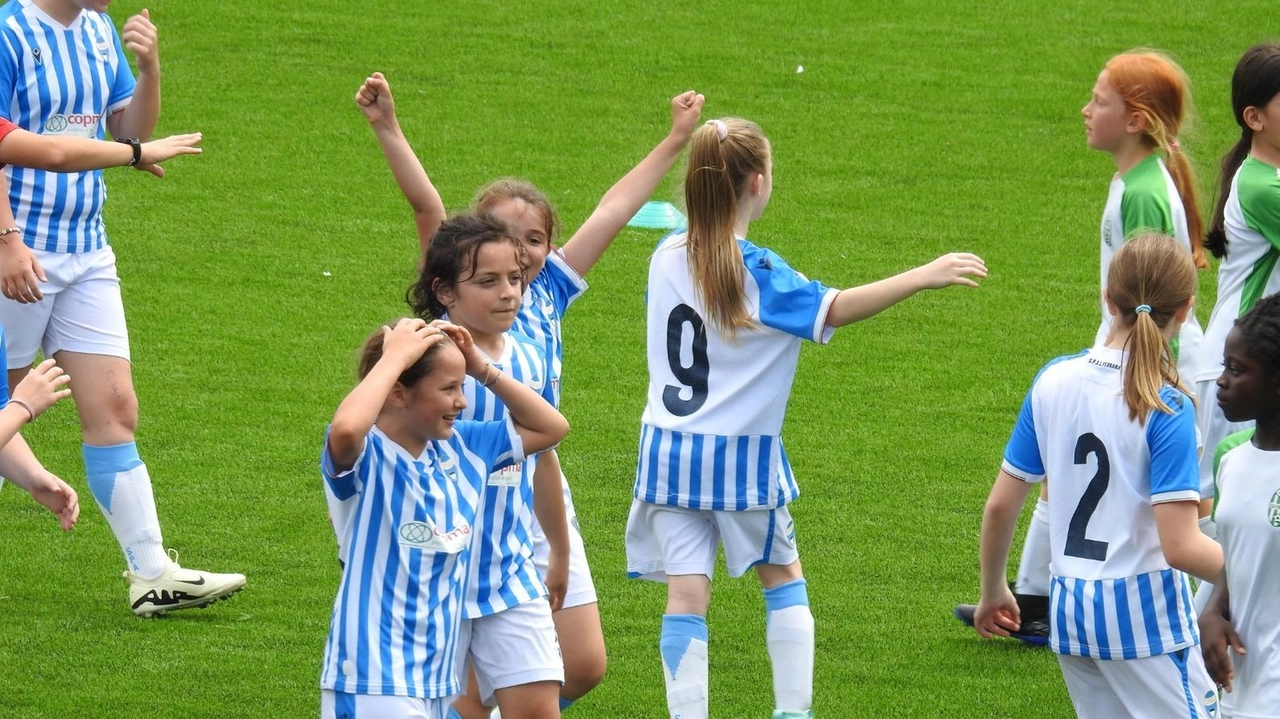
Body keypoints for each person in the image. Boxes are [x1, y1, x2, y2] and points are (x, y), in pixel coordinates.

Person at [357, 73, 704, 712]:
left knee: (584, 665)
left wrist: (675, 139)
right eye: (502, 243)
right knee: (463, 691)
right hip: (457, 497)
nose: (517, 261)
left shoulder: (542, 298)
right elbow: (426, 208)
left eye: (534, 242)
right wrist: (388, 128)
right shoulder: (461, 305)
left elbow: (613, 209)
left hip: (532, 482)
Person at [629, 116, 986, 719]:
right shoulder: (756, 271)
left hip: (665, 453)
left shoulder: (664, 256)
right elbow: (834, 309)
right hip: (738, 461)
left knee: (686, 596)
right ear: (758, 184)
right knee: (782, 577)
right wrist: (924, 276)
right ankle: (793, 713)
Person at [956, 49, 1210, 643]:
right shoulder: (1137, 179)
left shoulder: (1143, 193)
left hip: (1154, 361)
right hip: (1138, 353)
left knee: (1183, 502)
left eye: (1099, 100)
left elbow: (1153, 295)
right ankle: (1034, 602)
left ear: (1135, 120)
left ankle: (1220, 603)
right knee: (1068, 480)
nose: (1085, 109)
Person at [0, 0, 244, 616]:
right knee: (6, 406)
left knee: (114, 405)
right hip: (18, 248)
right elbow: (20, 150)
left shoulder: (97, 28)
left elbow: (129, 132)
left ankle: (152, 573)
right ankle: (35, 481)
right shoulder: (7, 31)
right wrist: (6, 240)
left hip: (86, 247)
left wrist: (150, 69)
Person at [975, 234, 1221, 718]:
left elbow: (1002, 504)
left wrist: (992, 589)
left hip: (1072, 615)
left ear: (1108, 299)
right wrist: (1259, 578)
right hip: (1144, 621)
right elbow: (1182, 545)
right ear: (1187, 310)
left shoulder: (1053, 380)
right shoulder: (1166, 405)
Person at [321, 318, 569, 719]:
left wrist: (483, 368)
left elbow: (552, 427)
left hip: (434, 683)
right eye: (449, 388)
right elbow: (348, 428)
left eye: (462, 386)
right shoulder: (367, 457)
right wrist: (395, 357)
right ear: (398, 392)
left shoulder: (463, 447)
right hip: (371, 678)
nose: (462, 401)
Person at [404, 213, 569, 719]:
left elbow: (543, 457)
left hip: (507, 567)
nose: (508, 294)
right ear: (445, 291)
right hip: (434, 576)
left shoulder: (529, 355)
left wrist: (557, 549)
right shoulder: (419, 356)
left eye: (515, 279)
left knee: (540, 709)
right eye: (488, 282)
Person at [1194, 44, 1280, 607]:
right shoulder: (1261, 186)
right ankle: (1196, 651)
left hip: (1252, 360)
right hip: (1241, 368)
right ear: (1255, 117)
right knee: (1215, 515)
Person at [1198, 293, 1280, 718]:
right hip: (1237, 691)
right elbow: (1240, 559)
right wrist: (1214, 607)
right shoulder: (1230, 460)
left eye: (1237, 369)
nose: (1221, 380)